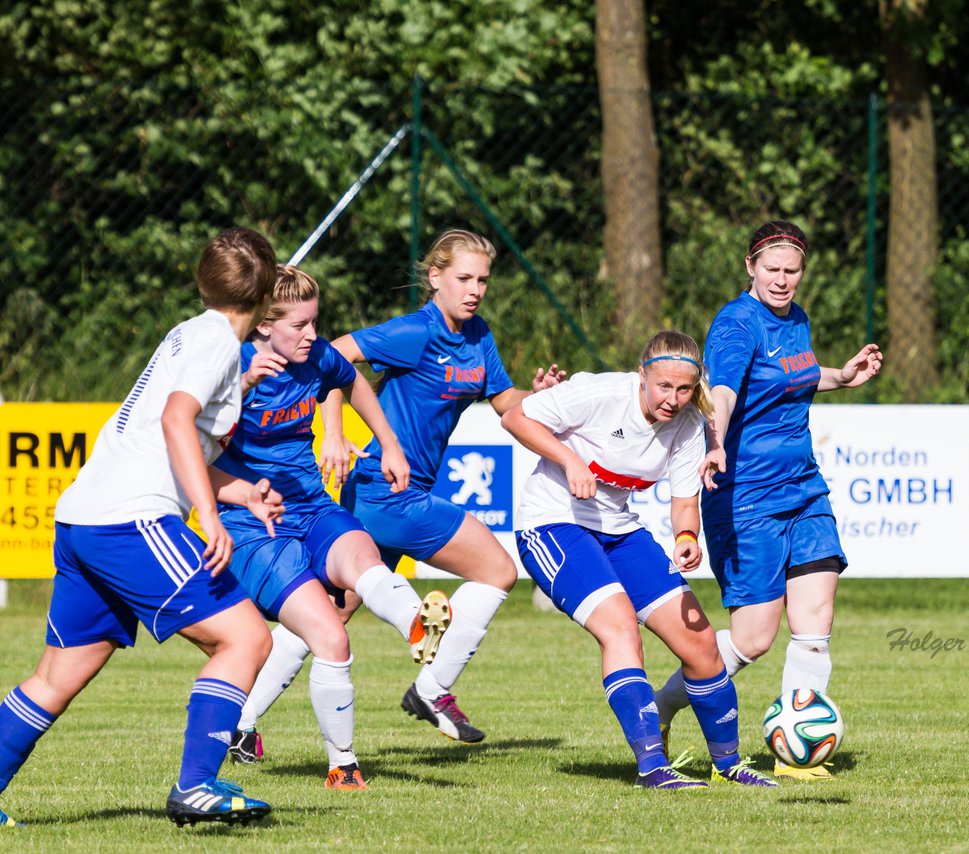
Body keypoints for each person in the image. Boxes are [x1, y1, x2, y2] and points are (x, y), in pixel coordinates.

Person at [0, 227, 285, 828]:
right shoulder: (215, 345)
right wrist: (210, 517)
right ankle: (197, 785)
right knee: (246, 639)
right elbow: (177, 422)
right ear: (264, 297)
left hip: (86, 518)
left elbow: (177, 440)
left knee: (60, 673)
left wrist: (239, 494)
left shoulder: (190, 333)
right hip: (131, 521)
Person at [236, 228, 563, 745]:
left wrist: (538, 397)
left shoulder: (478, 337)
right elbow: (332, 361)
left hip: (390, 493)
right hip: (385, 490)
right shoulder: (415, 331)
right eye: (463, 278)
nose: (474, 289)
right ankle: (432, 688)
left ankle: (241, 721)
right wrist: (337, 436)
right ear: (435, 278)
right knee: (498, 570)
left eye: (483, 279)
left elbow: (503, 401)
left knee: (327, 618)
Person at [652, 220, 882, 781]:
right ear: (750, 268)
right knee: (754, 638)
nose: (782, 280)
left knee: (815, 618)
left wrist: (840, 376)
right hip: (746, 494)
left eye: (792, 271)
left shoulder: (797, 320)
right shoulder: (735, 324)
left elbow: (791, 376)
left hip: (804, 487)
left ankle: (795, 756)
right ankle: (660, 707)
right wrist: (714, 444)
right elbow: (722, 392)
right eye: (772, 269)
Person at [502, 330, 777, 790]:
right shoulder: (600, 392)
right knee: (620, 626)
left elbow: (684, 501)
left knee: (702, 645)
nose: (673, 399)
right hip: (552, 525)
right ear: (641, 375)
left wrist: (687, 535)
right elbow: (515, 418)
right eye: (664, 386)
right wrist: (570, 461)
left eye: (685, 389)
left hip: (621, 533)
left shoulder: (690, 424)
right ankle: (652, 767)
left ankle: (728, 765)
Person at [212, 264, 446, 791]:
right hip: (254, 523)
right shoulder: (231, 367)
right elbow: (189, 437)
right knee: (330, 638)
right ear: (263, 325)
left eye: (316, 322)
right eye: (300, 325)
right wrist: (242, 388)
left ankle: (415, 619)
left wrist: (387, 442)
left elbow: (352, 379)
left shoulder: (315, 355)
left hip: (312, 505)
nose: (313, 335)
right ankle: (342, 763)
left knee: (362, 557)